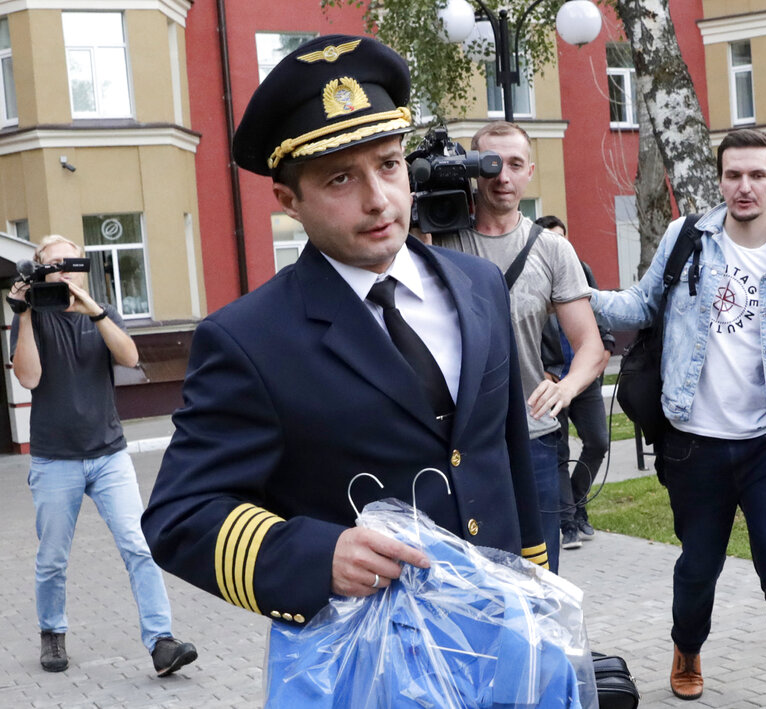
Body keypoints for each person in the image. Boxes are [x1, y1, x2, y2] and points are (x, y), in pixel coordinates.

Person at [141, 34, 548, 640]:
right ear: (289, 201)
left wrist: (537, 588)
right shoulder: (250, 340)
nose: (379, 199)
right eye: (339, 179)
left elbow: (506, 453)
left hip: (501, 626)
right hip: (365, 654)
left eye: (388, 165)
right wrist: (315, 553)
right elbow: (180, 514)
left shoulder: (478, 283)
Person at [590, 129, 766, 708]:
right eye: (733, 175)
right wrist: (571, 286)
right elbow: (639, 306)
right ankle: (687, 646)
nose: (744, 187)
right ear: (719, 179)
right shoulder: (685, 237)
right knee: (699, 567)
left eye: (757, 175)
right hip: (694, 443)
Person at [9, 235, 197, 676]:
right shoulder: (31, 318)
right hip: (55, 459)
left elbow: (130, 357)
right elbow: (29, 378)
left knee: (139, 544)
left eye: (71, 262)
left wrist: (94, 311)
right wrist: (26, 314)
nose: (64, 270)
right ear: (40, 271)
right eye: (53, 264)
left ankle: (162, 641)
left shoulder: (100, 312)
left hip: (109, 455)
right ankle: (52, 632)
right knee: (53, 556)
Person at [434, 123, 605, 574]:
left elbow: (590, 344)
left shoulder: (552, 249)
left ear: (530, 171)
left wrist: (566, 388)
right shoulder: (441, 241)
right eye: (490, 164)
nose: (502, 176)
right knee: (470, 569)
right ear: (471, 170)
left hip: (533, 437)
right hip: (460, 439)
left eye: (514, 165)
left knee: (539, 569)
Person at [534, 215, 613, 550]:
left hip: (585, 379)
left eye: (563, 238)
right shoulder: (532, 273)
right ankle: (567, 522)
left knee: (599, 442)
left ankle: (577, 502)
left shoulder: (579, 269)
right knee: (558, 453)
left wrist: (605, 350)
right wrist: (540, 370)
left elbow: (597, 315)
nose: (560, 245)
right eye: (553, 239)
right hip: (550, 379)